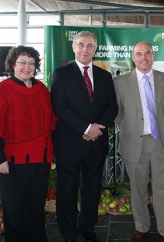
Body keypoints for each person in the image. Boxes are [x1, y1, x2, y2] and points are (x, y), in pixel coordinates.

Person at [0, 46, 57, 242]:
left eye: (31, 63)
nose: (27, 67)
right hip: (11, 165)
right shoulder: (0, 92)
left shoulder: (42, 90)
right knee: (15, 213)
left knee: (36, 210)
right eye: (22, 62)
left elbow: (52, 123)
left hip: (39, 162)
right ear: (12, 65)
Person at [51, 30, 118, 242]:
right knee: (67, 191)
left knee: (92, 190)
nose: (85, 49)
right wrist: (86, 128)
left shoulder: (104, 76)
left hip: (96, 144)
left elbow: (112, 107)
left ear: (95, 49)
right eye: (80, 45)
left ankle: (87, 227)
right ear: (73, 47)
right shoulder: (61, 74)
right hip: (69, 144)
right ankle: (69, 232)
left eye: (89, 46)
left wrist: (97, 128)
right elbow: (60, 107)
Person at [114, 41, 164, 242]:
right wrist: (130, 129)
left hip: (160, 142)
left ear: (153, 56)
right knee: (138, 189)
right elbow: (117, 113)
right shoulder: (119, 82)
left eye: (148, 53)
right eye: (139, 54)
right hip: (134, 144)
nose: (144, 57)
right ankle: (141, 227)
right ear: (133, 57)